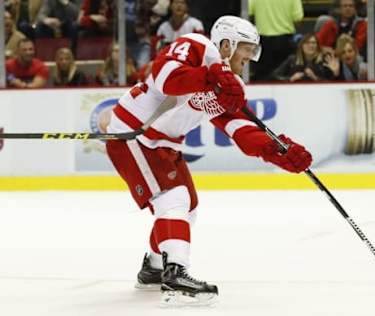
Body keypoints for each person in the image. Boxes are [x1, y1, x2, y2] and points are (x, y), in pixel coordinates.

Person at [105, 15, 312, 306]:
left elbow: (240, 130)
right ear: (226, 44)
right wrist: (211, 75)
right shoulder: (198, 45)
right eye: (247, 49)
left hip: (161, 143)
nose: (250, 57)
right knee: (172, 198)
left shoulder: (230, 85)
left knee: (187, 205)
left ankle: (153, 268)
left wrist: (279, 152)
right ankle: (175, 274)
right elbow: (165, 77)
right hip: (134, 134)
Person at [249, 0, 304, 80]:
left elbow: (248, 13)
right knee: (285, 76)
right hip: (285, 40)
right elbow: (298, 19)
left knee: (261, 78)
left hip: (263, 40)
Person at [272, 33, 339, 82]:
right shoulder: (292, 60)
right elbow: (274, 76)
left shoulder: (323, 62)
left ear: (317, 46)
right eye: (307, 43)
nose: (311, 45)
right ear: (302, 46)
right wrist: (290, 79)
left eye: (313, 43)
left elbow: (332, 84)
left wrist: (316, 78)